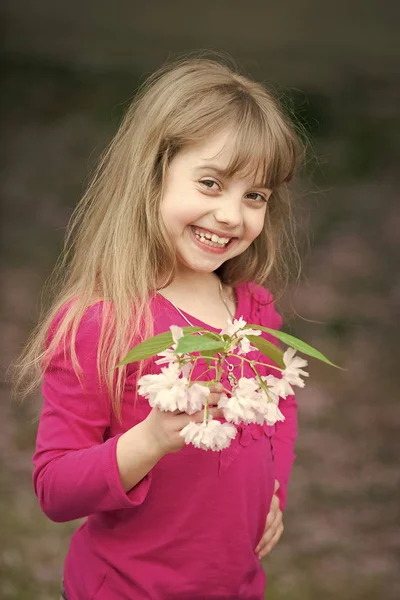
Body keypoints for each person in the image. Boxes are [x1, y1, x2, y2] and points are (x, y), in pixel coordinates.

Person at [16, 56, 303, 599]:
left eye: (255, 195)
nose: (230, 215)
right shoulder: (102, 322)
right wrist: (148, 440)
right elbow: (54, 489)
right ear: (152, 176)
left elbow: (280, 408)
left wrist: (274, 491)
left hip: (236, 586)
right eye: (211, 182)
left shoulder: (254, 309)